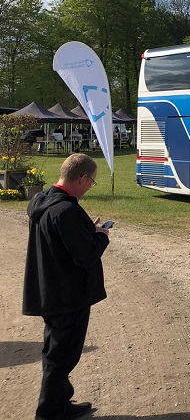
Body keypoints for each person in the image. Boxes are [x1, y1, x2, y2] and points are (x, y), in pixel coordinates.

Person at [22, 153, 111, 420]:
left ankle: (59, 403)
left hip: (51, 289)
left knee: (57, 352)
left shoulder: (41, 199)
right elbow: (85, 256)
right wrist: (101, 237)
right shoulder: (67, 211)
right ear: (82, 178)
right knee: (61, 357)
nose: (89, 187)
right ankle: (49, 413)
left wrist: (86, 230)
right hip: (68, 295)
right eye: (91, 182)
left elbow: (63, 241)